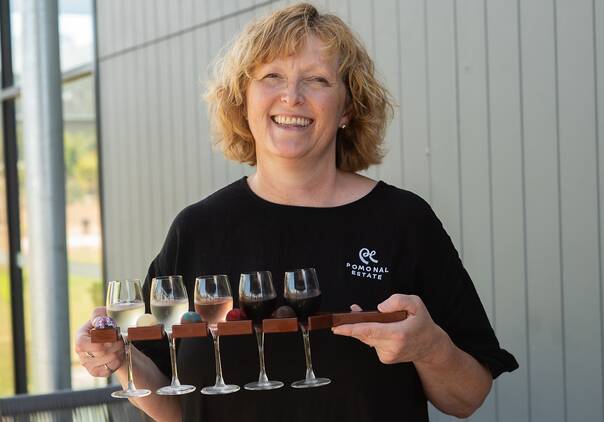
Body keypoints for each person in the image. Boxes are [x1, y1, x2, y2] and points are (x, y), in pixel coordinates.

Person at [75, 3, 518, 421]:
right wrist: (120, 357)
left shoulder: (404, 220)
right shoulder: (198, 228)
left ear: (347, 108)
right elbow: (179, 406)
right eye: (271, 76)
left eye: (318, 80)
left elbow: (468, 396)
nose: (291, 96)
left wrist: (430, 348)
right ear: (243, 102)